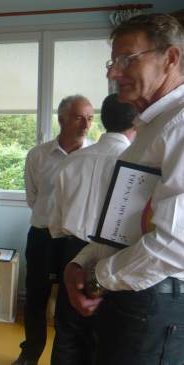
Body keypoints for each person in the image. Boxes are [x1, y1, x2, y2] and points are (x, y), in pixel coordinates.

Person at [64, 14, 184, 365]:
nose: (113, 73)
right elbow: (126, 224)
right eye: (112, 62)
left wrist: (97, 277)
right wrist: (80, 262)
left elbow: (175, 244)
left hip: (155, 301)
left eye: (127, 59)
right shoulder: (153, 126)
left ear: (171, 58)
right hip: (134, 296)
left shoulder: (179, 126)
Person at [47, 94, 138, 365]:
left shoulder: (73, 160)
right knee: (105, 337)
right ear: (136, 122)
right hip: (115, 256)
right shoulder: (136, 162)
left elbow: (55, 221)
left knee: (68, 333)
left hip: (72, 253)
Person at [13, 95, 94, 365]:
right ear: (61, 119)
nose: (86, 123)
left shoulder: (94, 156)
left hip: (76, 241)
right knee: (36, 297)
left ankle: (64, 357)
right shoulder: (38, 155)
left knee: (70, 303)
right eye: (79, 117)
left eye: (90, 118)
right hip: (43, 236)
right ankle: (30, 353)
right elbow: (33, 197)